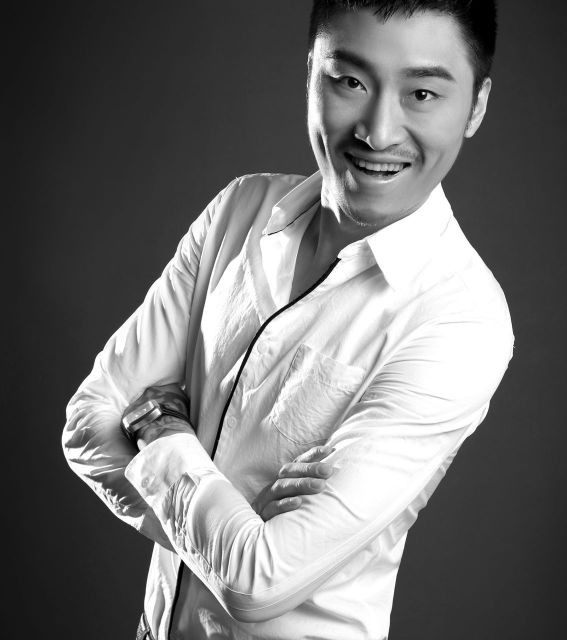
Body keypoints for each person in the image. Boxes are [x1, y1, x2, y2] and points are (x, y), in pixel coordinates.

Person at [62, 1, 514, 638]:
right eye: (350, 81)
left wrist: (159, 431)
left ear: (476, 106)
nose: (378, 132)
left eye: (421, 94)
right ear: (310, 75)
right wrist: (233, 526)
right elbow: (87, 422)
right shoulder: (239, 209)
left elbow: (259, 584)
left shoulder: (461, 321)